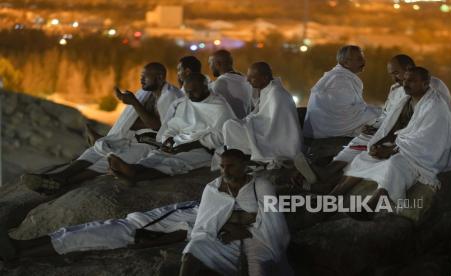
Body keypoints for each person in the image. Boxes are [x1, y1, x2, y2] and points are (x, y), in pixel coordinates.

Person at [296, 54, 451, 189]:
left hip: (419, 139)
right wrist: (378, 127)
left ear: (409, 70)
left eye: (396, 73)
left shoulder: (432, 88)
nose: (396, 79)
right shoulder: (399, 89)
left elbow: (428, 122)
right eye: (392, 74)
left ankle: (330, 181)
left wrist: (390, 138)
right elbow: (389, 115)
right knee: (364, 139)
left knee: (372, 149)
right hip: (399, 132)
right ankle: (329, 173)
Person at [23, 62, 183, 194]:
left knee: (113, 160)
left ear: (160, 77)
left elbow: (158, 126)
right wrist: (129, 104)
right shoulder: (145, 93)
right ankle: (56, 176)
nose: (141, 81)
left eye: (145, 77)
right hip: (132, 136)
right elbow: (137, 120)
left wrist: (134, 103)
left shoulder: (171, 96)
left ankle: (63, 182)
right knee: (97, 149)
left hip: (151, 144)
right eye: (141, 77)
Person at [328, 67, 451, 210]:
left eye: (412, 81)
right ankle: (335, 194)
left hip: (425, 153)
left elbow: (428, 141)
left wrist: (392, 150)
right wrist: (378, 144)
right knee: (364, 157)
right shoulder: (406, 100)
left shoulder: (435, 105)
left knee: (396, 164)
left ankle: (372, 206)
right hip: (404, 144)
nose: (406, 84)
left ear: (425, 83)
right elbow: (392, 127)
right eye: (405, 80)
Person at [106, 73, 236, 183]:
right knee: (156, 155)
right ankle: (132, 169)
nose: (190, 95)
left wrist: (189, 145)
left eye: (194, 91)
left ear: (205, 87)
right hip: (178, 142)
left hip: (203, 148)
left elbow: (221, 136)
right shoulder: (186, 102)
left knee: (176, 161)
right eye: (188, 91)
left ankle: (134, 175)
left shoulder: (220, 107)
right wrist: (168, 138)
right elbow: (174, 125)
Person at [180, 149, 291, 276]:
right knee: (192, 250)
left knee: (258, 270)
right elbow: (205, 222)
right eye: (222, 166)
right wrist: (231, 225)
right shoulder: (212, 188)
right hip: (224, 236)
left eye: (231, 166)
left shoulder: (261, 186)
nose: (225, 171)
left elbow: (273, 221)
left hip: (259, 239)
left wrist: (247, 231)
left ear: (244, 166)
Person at [0, 201, 198, 262]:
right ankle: (19, 245)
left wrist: (141, 243)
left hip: (133, 233)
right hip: (128, 223)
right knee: (70, 232)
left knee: (73, 240)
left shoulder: (208, 217)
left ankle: (19, 255)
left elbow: (181, 233)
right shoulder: (204, 202)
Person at [222, 62, 302, 168]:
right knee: (231, 125)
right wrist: (248, 122)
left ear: (264, 78)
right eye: (248, 77)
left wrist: (250, 124)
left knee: (230, 126)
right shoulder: (267, 90)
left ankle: (245, 157)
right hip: (263, 130)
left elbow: (275, 126)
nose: (247, 80)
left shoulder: (277, 94)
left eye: (252, 78)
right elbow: (259, 115)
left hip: (276, 140)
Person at [302, 45, 380, 140]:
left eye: (363, 58)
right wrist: (374, 113)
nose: (364, 62)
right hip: (326, 129)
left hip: (323, 126)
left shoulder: (340, 76)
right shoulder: (339, 80)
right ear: (346, 63)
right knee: (380, 117)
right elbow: (344, 113)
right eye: (359, 59)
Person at [209, 49, 253, 119]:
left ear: (218, 64)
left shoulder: (220, 83)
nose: (210, 67)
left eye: (210, 63)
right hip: (246, 124)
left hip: (229, 126)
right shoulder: (246, 79)